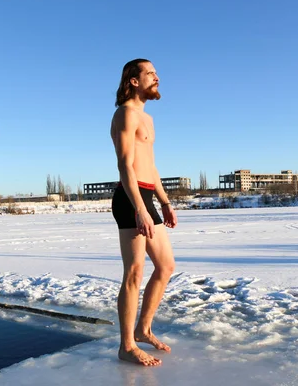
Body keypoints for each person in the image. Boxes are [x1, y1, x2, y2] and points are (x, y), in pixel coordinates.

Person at [110, 58, 178, 366]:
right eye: (151, 73)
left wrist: (164, 202)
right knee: (134, 272)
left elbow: (150, 166)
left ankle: (143, 329)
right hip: (129, 197)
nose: (157, 77)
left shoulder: (147, 118)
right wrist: (139, 208)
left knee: (165, 267)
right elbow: (126, 165)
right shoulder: (125, 114)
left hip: (148, 195)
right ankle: (126, 346)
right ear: (134, 81)